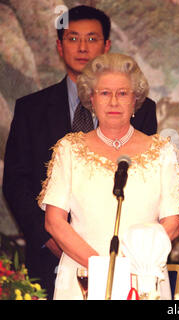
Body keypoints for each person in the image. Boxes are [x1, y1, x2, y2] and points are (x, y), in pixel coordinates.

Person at [2, 5, 157, 299]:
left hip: (118, 256)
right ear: (60, 47)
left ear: (107, 46)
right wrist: (49, 238)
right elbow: (16, 182)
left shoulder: (141, 108)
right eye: (73, 39)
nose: (83, 47)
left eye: (92, 39)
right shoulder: (30, 109)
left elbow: (143, 180)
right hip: (49, 255)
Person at [37, 52, 179, 300]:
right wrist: (104, 269)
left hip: (144, 278)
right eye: (105, 93)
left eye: (122, 93)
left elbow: (171, 224)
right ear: (91, 99)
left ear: (135, 100)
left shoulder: (162, 150)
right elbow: (54, 222)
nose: (114, 102)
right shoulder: (69, 149)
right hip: (82, 276)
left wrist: (136, 265)